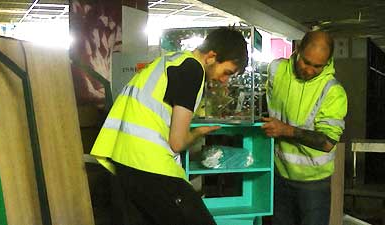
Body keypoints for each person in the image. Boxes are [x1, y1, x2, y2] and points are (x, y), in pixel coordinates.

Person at [90, 27, 248, 225]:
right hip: (149, 165)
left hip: (123, 161)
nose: (224, 80)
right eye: (227, 72)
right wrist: (198, 132)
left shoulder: (170, 61)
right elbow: (177, 142)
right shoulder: (193, 70)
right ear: (211, 56)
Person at [261, 30, 347, 225]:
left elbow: (327, 142)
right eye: (306, 62)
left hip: (313, 184)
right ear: (297, 49)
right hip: (278, 174)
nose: (309, 70)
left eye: (317, 66)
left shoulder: (333, 92)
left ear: (327, 62)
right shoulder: (276, 70)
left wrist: (286, 130)